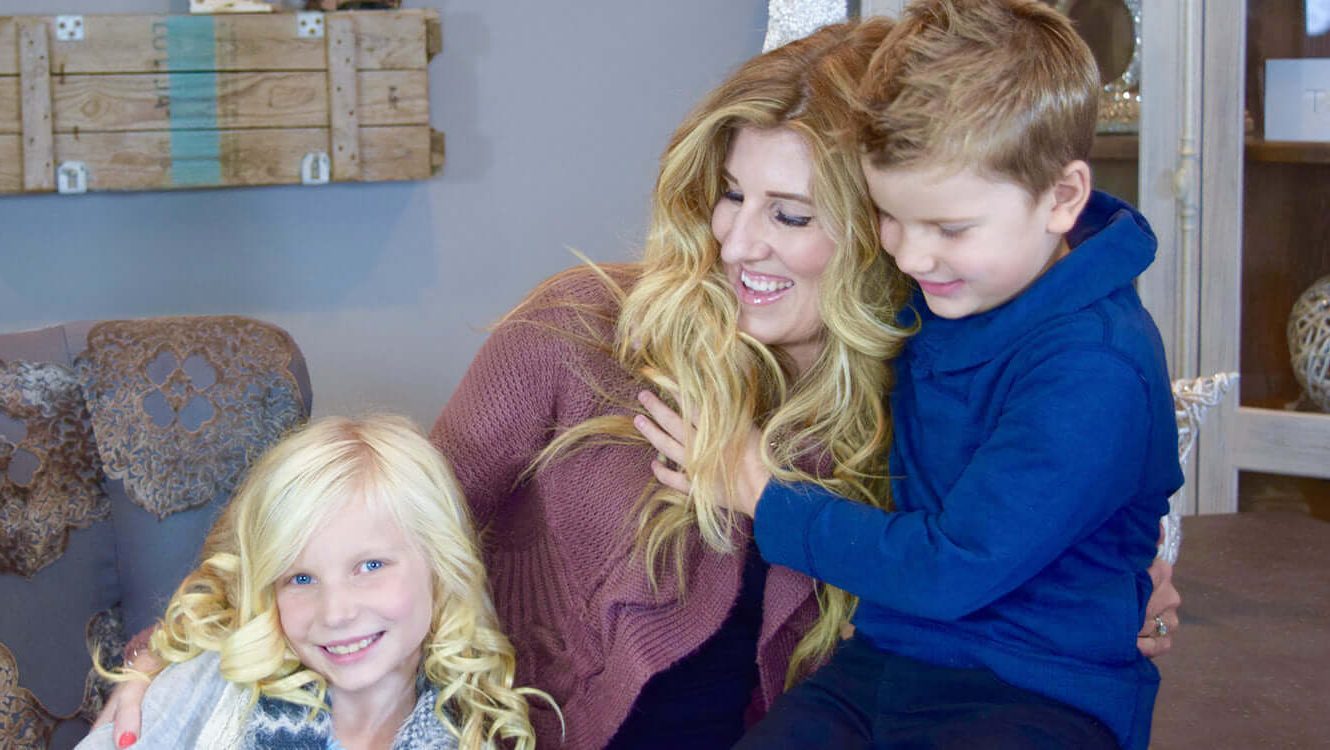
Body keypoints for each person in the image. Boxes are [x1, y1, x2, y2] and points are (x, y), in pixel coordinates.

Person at [96, 16, 1182, 749]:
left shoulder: (923, 383)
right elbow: (363, 524)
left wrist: (1126, 591)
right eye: (729, 194)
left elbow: (1021, 534)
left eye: (792, 215)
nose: (738, 242)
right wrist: (165, 662)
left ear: (881, 229)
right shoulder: (581, 331)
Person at [640, 2, 1180, 748]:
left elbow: (951, 569)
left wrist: (761, 493)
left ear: (1062, 197)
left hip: (1038, 691)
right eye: (891, 217)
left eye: (949, 229)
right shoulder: (949, 288)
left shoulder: (1097, 368)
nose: (912, 257)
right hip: (890, 663)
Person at [78, 415, 549, 750]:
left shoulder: (466, 738)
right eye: (300, 577)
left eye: (370, 566)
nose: (336, 612)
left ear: (439, 566)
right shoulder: (217, 685)